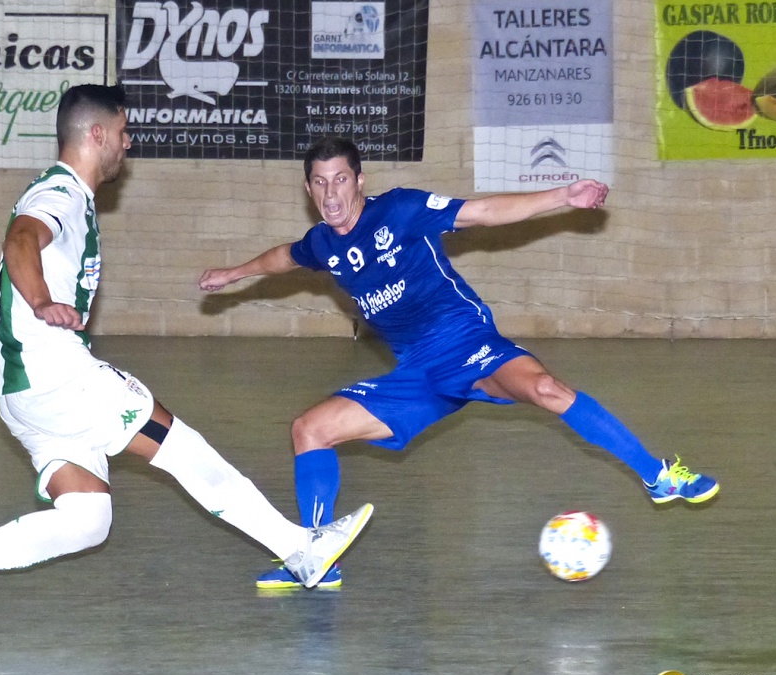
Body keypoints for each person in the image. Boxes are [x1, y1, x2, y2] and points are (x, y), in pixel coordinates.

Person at [0, 87, 374, 633]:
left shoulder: (68, 196)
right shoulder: (60, 194)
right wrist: (40, 302)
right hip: (59, 379)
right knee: (181, 448)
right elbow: (20, 240)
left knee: (88, 520)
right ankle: (299, 548)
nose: (128, 144)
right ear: (97, 135)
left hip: (25, 400)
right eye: (124, 132)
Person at [199, 136, 719, 591]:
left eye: (340, 179)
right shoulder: (323, 245)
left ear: (359, 180)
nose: (331, 193)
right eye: (319, 183)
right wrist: (234, 272)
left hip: (467, 344)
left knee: (545, 390)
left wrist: (563, 196)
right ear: (309, 190)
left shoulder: (399, 209)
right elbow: (286, 256)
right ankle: (314, 555)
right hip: (416, 375)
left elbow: (484, 212)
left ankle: (658, 476)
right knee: (308, 429)